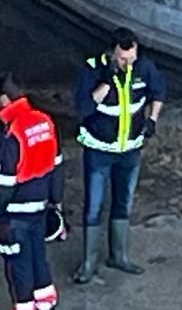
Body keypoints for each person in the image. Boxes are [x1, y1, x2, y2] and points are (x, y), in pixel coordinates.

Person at [71, 28, 166, 283]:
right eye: (123, 59)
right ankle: (89, 262)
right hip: (99, 151)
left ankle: (119, 255)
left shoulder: (144, 68)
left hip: (130, 150)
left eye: (131, 58)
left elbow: (158, 93)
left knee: (124, 202)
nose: (127, 63)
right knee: (93, 207)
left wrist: (152, 120)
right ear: (112, 53)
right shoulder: (92, 70)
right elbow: (83, 108)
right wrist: (106, 82)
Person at [0, 74, 62, 310]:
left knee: (18, 270)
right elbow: (56, 166)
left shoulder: (10, 133)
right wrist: (55, 202)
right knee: (39, 261)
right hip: (39, 207)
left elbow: (4, 183)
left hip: (15, 213)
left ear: (4, 99)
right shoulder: (44, 121)